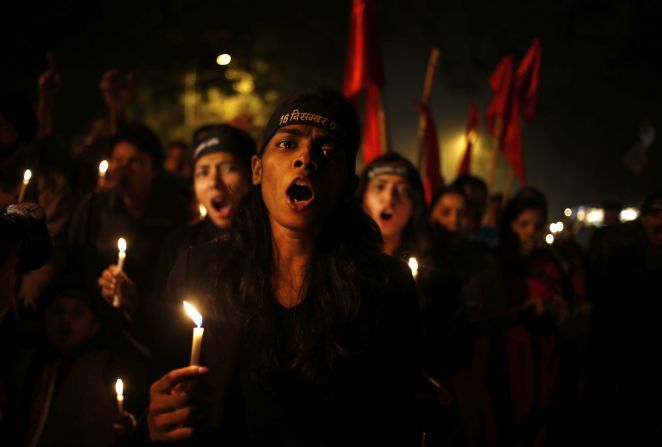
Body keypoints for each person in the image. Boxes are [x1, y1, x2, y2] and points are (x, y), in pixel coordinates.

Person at [132, 89, 422, 446]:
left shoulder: (385, 285)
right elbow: (161, 386)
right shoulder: (199, 271)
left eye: (327, 151)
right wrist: (156, 424)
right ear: (257, 170)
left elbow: (395, 416)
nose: (305, 160)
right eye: (287, 145)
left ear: (349, 185)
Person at [146, 123, 256, 374]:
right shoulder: (180, 244)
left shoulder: (276, 243)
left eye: (229, 168)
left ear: (255, 173)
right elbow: (165, 328)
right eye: (203, 172)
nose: (215, 183)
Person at [68, 123, 188, 343]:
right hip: (97, 328)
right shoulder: (93, 207)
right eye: (117, 160)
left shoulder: (174, 213)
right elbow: (75, 263)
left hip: (154, 328)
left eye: (134, 162)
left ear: (154, 169)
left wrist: (138, 302)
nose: (123, 169)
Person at [356, 152, 430, 258]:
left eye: (403, 191)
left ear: (414, 207)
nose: (389, 197)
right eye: (379, 187)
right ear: (362, 197)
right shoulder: (337, 262)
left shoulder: (428, 266)